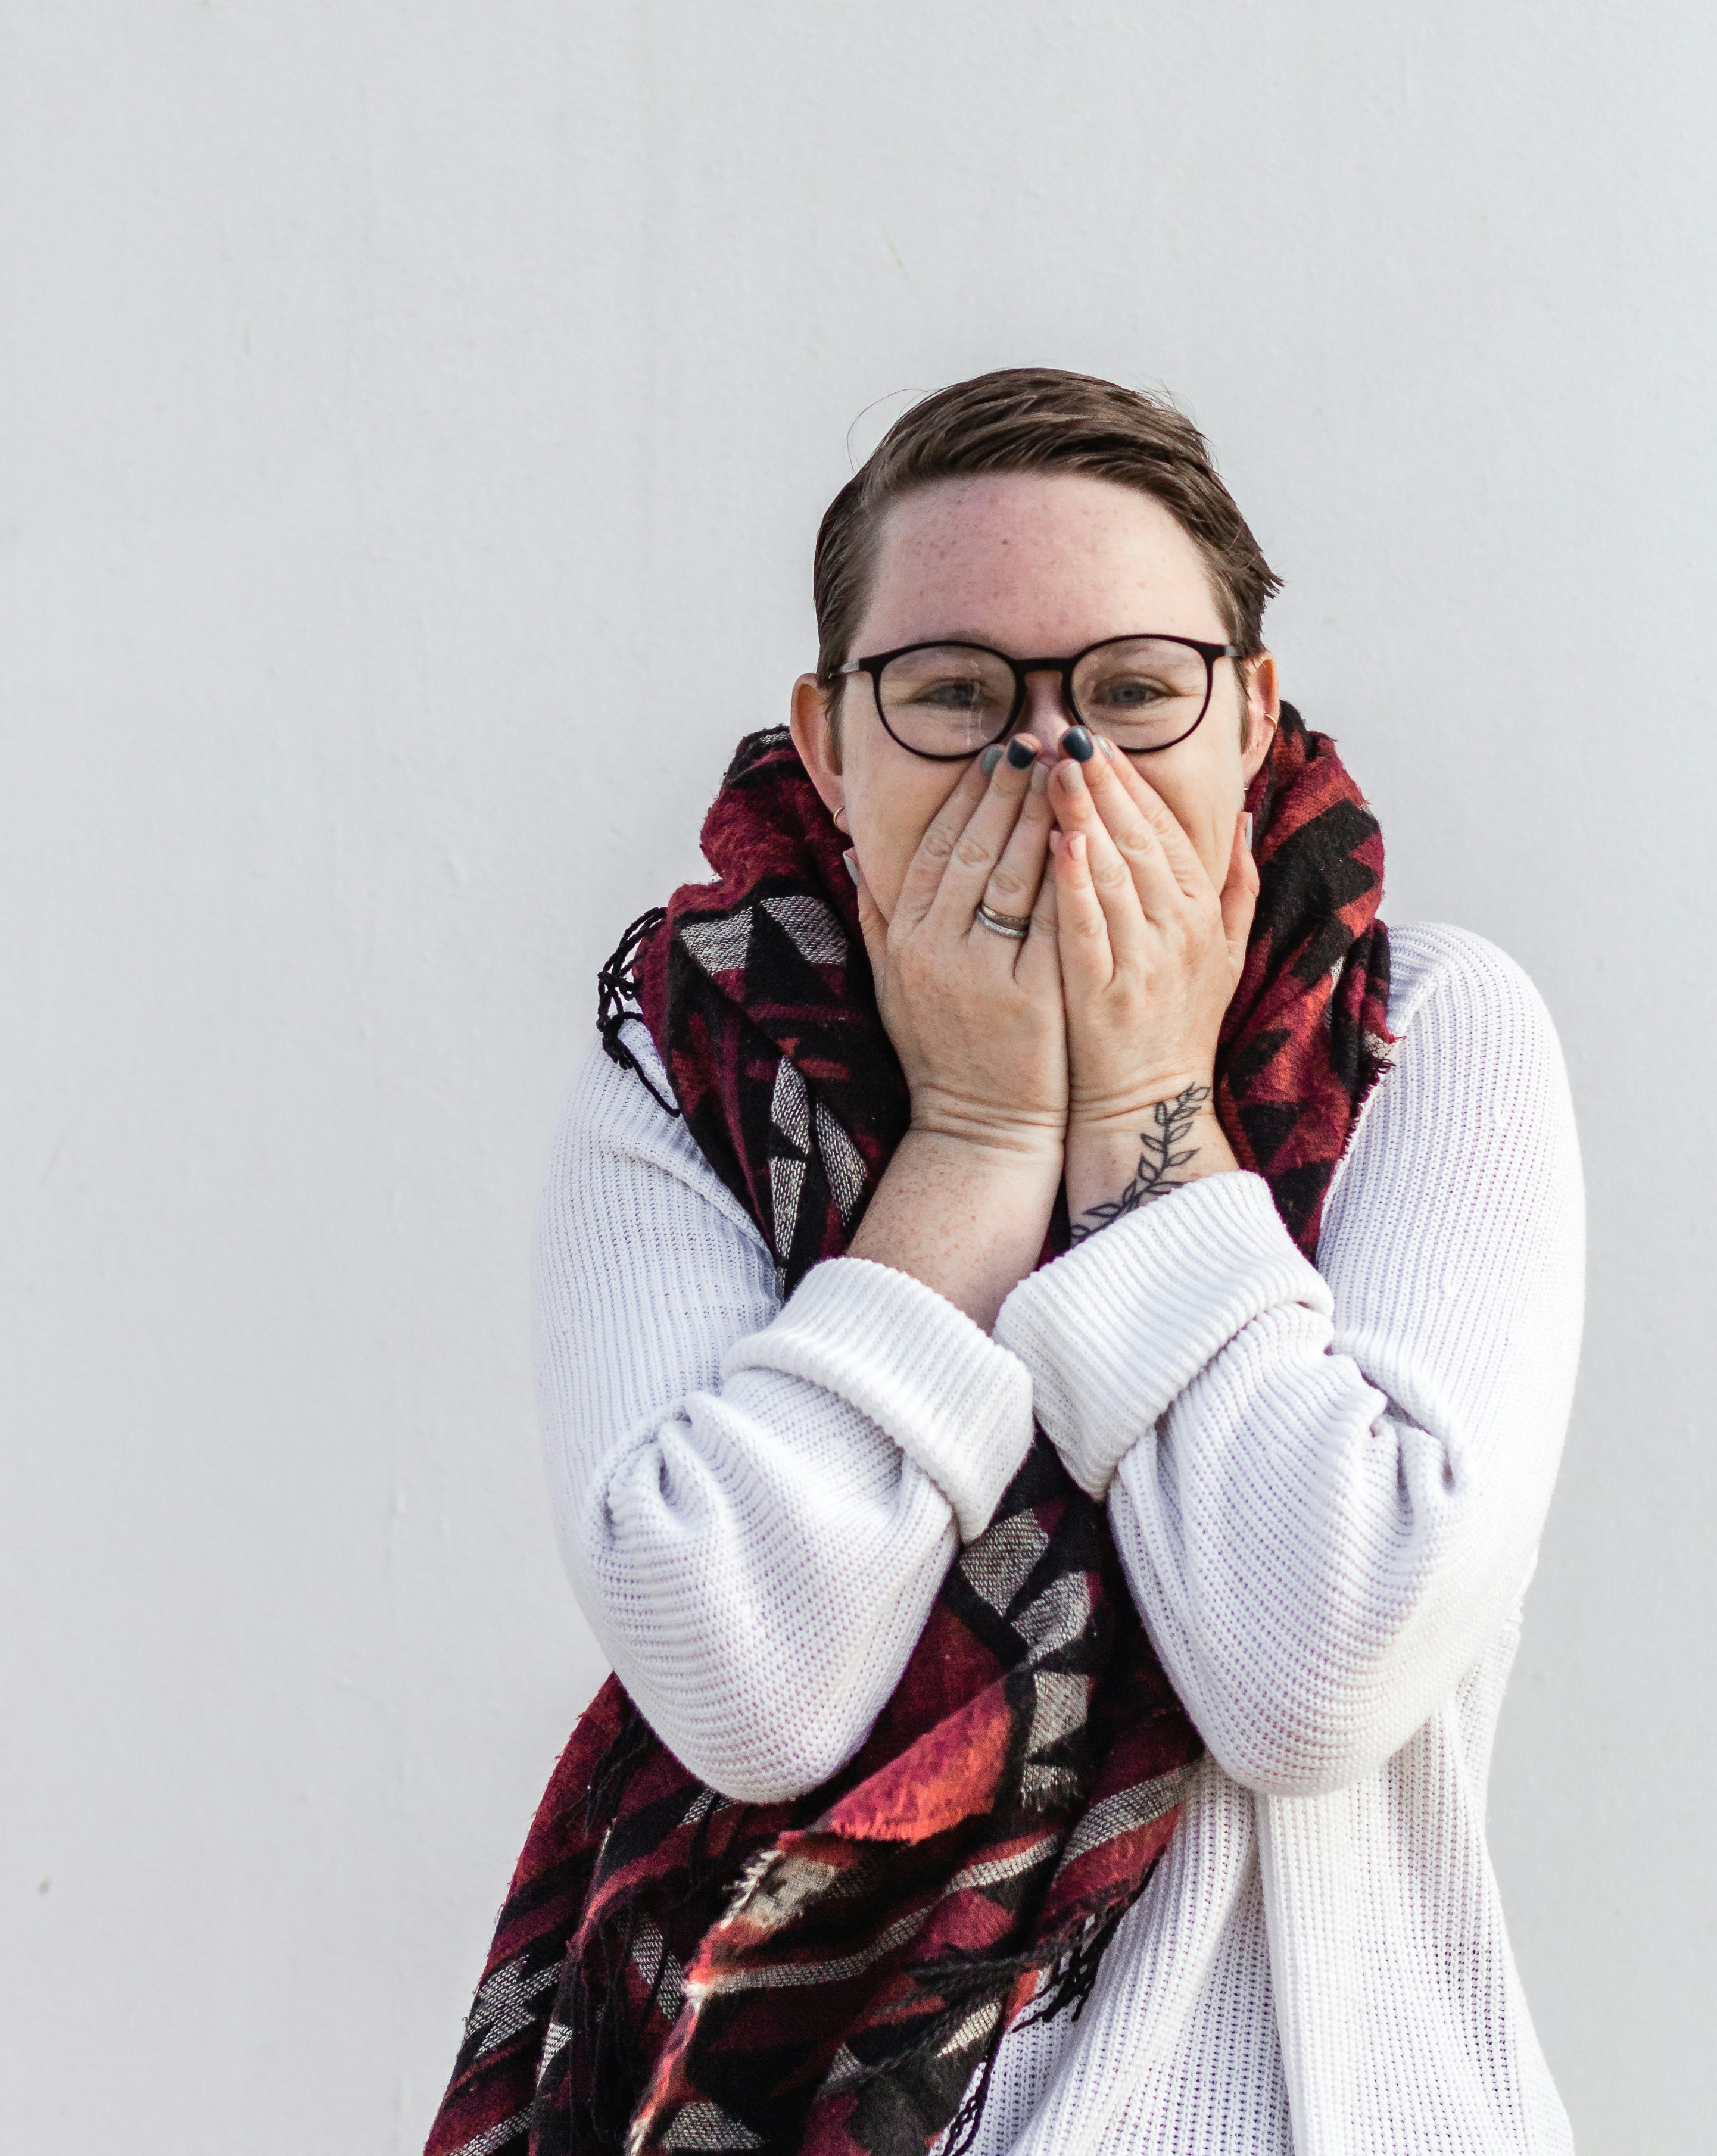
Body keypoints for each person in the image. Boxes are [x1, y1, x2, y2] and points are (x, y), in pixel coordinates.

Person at [428, 368, 1583, 2156]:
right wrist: (970, 1144)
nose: (1055, 765)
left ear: (1252, 719)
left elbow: (1320, 1669)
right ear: (831, 743)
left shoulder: (1428, 1040)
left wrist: (1135, 1102)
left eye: (1132, 691)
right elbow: (746, 1678)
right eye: (958, 696)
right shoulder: (689, 1069)